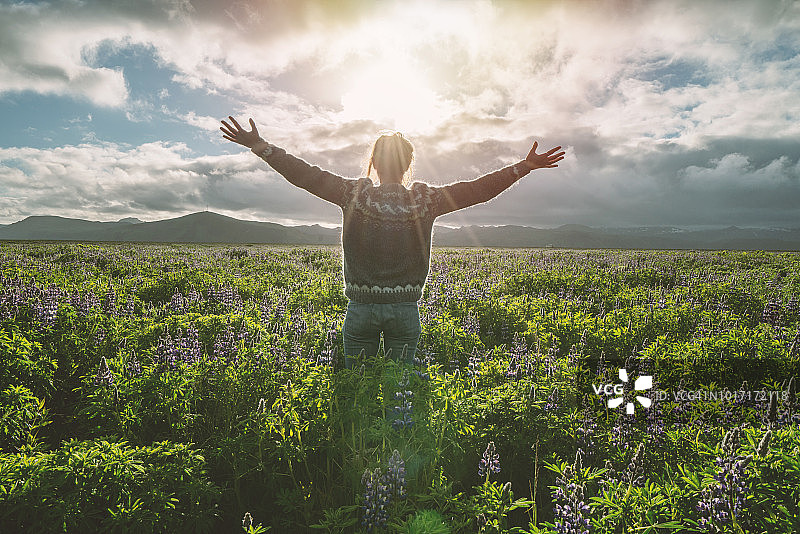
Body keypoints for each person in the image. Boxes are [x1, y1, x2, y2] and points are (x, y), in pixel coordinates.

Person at [220, 116, 564, 369]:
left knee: (357, 389)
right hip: (405, 310)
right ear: (409, 164)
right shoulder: (425, 200)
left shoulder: (353, 194)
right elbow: (478, 190)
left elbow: (305, 175)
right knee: (404, 387)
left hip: (360, 309)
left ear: (373, 162)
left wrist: (260, 146)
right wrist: (523, 167)